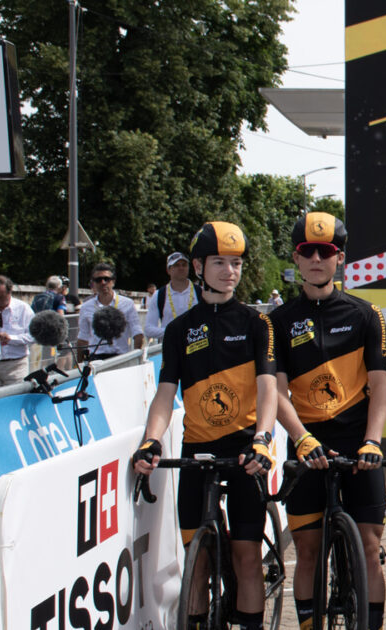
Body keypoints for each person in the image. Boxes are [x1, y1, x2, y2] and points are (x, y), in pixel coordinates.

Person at [130, 221, 279, 630]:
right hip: (198, 449)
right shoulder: (179, 330)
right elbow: (165, 394)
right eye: (219, 263)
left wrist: (263, 438)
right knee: (195, 562)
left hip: (247, 449)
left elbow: (268, 389)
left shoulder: (256, 324)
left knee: (247, 557)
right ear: (198, 266)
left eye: (236, 263)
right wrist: (151, 440)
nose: (230, 271)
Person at [269, 212, 386, 629]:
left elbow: (381, 387)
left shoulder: (366, 314)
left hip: (358, 444)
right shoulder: (278, 322)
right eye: (308, 251)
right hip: (307, 444)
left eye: (326, 251)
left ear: (340, 258)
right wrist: (300, 438)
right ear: (296, 258)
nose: (317, 259)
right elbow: (276, 392)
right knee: (307, 552)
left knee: (370, 547)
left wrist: (373, 440)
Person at [77, 262, 144, 359]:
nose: (103, 282)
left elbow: (137, 333)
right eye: (98, 280)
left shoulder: (128, 303)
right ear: (93, 283)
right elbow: (82, 338)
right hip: (96, 358)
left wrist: (136, 357)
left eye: (106, 279)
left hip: (121, 357)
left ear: (113, 281)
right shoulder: (86, 307)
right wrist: (80, 364)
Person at [145, 252, 200, 341]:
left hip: (196, 344)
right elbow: (148, 329)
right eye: (176, 265)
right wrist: (172, 331)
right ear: (168, 270)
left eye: (184, 265)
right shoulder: (159, 295)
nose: (181, 268)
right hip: (169, 345)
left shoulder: (200, 292)